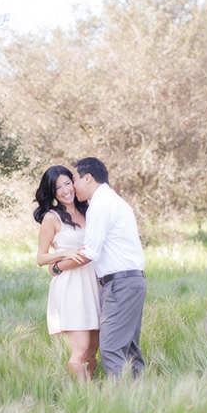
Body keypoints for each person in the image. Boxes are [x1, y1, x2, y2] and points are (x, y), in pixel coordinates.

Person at [68, 157, 147, 379]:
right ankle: (140, 399)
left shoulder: (100, 204)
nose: (73, 186)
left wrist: (58, 266)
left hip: (119, 285)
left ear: (88, 177)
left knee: (111, 347)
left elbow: (91, 252)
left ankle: (122, 403)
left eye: (74, 179)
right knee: (129, 348)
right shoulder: (115, 201)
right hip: (133, 282)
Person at [33, 165, 101, 381]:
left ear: (74, 183)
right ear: (52, 193)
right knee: (80, 350)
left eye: (67, 183)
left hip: (95, 283)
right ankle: (79, 399)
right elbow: (41, 257)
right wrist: (63, 254)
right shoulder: (52, 218)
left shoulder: (89, 211)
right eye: (57, 188)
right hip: (72, 288)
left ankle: (92, 394)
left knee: (93, 350)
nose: (65, 190)